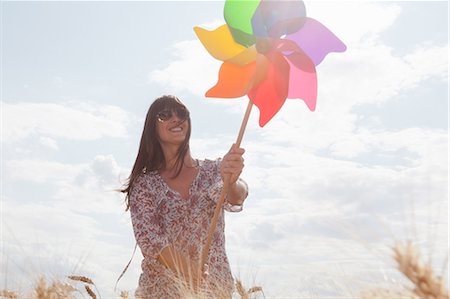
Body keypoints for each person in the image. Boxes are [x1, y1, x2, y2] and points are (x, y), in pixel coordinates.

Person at [121, 95, 249, 298]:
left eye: (181, 113)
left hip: (213, 289)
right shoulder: (144, 184)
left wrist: (231, 180)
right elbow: (151, 240)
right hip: (162, 292)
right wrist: (189, 272)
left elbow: (237, 197)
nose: (175, 118)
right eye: (165, 115)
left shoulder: (213, 170)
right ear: (152, 128)